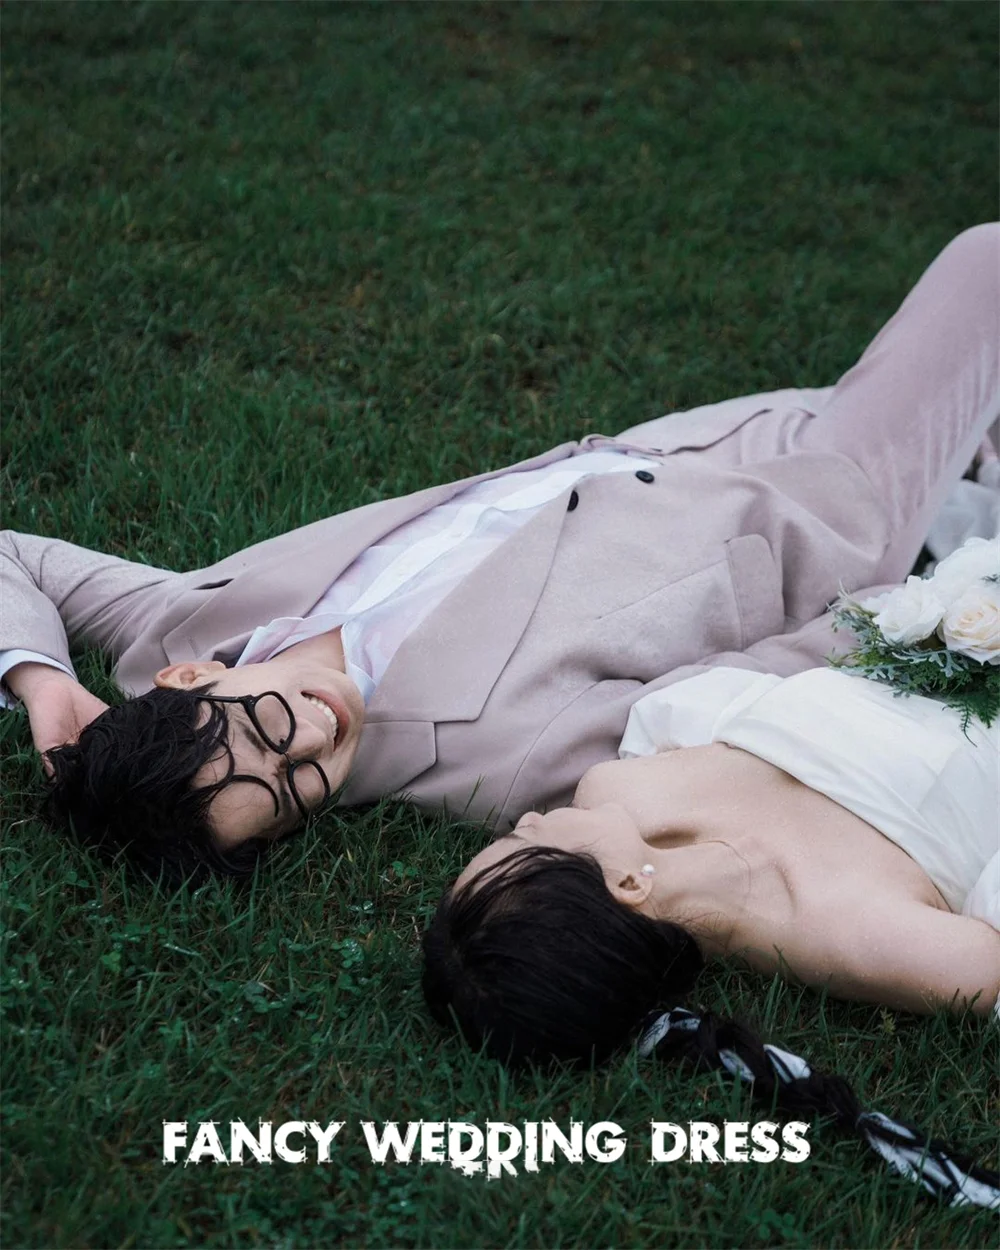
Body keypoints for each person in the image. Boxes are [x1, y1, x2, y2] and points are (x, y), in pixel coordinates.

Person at [3, 225, 998, 881]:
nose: (310, 740)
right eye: (290, 793)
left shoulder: (180, 619)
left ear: (186, 677)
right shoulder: (498, 762)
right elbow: (744, 696)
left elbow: (17, 555)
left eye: (261, 722)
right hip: (817, 502)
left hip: (685, 439)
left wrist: (43, 681)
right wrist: (893, 605)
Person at [421, 624, 1000, 1208]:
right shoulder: (856, 935)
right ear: (624, 885)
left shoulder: (620, 786)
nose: (528, 817)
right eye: (528, 840)